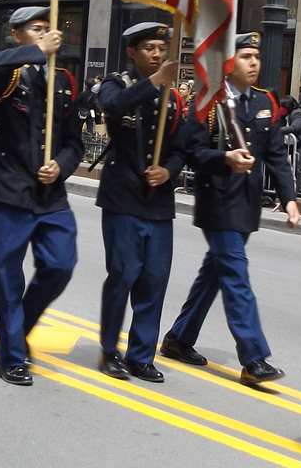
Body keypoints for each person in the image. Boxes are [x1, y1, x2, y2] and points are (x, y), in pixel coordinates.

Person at [163, 33, 299, 387]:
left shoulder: (265, 101)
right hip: (218, 202)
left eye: (257, 56)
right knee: (237, 278)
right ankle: (254, 358)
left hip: (247, 205)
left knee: (215, 274)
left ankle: (178, 338)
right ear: (228, 62)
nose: (254, 62)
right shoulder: (209, 101)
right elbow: (192, 151)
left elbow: (276, 157)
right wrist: (224, 157)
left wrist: (290, 198)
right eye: (245, 56)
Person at [0, 5, 85, 387]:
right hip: (9, 187)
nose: (44, 35)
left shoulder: (66, 81)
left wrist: (61, 164)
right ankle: (11, 356)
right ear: (17, 34)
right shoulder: (8, 73)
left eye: (48, 29)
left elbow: (75, 141)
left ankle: (18, 325)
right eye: (36, 29)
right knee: (8, 275)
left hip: (49, 191)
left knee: (61, 263)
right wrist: (39, 50)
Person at [94, 22, 189, 383]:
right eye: (148, 48)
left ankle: (141, 354)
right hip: (123, 197)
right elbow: (113, 107)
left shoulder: (175, 97)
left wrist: (169, 171)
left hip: (158, 202)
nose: (157, 53)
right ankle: (109, 351)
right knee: (123, 275)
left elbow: (182, 147)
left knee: (154, 279)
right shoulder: (117, 83)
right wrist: (154, 82)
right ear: (132, 52)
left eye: (161, 48)